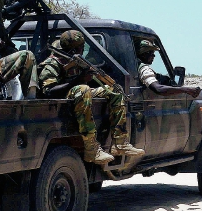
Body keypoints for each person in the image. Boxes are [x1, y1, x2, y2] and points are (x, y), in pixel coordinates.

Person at [36, 30, 145, 164]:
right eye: (81, 47)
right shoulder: (52, 63)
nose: (83, 50)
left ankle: (120, 142)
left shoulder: (75, 60)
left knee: (115, 92)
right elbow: (48, 91)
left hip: (75, 94)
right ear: (73, 49)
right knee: (83, 89)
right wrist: (79, 80)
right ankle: (91, 148)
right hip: (60, 100)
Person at [134, 39, 202, 98]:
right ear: (143, 54)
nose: (154, 55)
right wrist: (187, 90)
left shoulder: (135, 66)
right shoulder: (144, 69)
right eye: (151, 53)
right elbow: (158, 89)